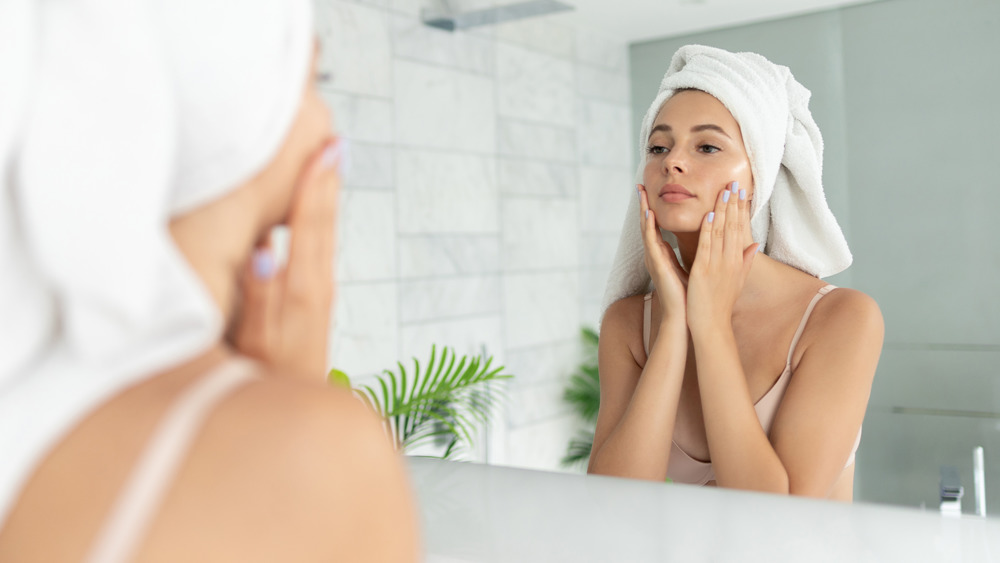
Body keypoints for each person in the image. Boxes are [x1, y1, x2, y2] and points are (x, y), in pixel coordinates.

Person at [0, 1, 419, 560]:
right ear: (243, 118)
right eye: (315, 80)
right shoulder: (316, 457)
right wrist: (288, 418)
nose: (328, 120)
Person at [588, 45, 883, 500]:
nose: (672, 162)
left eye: (707, 146)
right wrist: (673, 328)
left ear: (758, 173)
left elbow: (779, 516)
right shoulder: (629, 325)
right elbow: (610, 502)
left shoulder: (840, 319)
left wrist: (709, 327)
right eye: (658, 146)